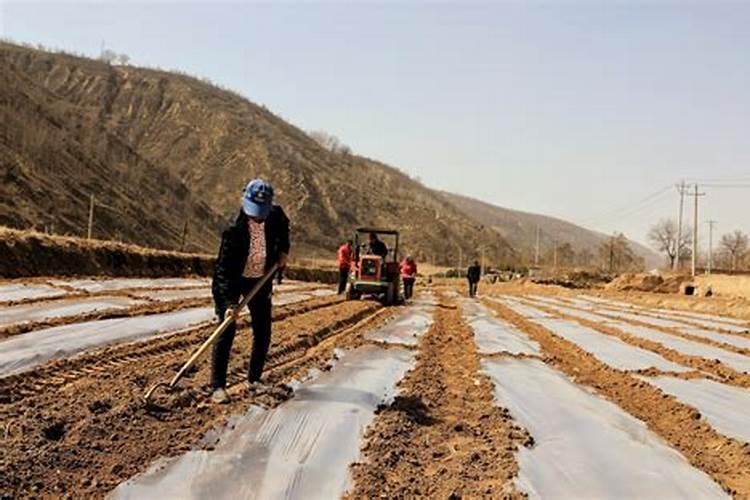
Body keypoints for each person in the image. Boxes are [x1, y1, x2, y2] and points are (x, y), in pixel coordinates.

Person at [210, 179, 290, 404]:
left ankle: (254, 379)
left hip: (260, 280)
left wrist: (283, 249)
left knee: (263, 330)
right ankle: (217, 386)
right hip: (235, 281)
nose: (258, 217)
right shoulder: (233, 230)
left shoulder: (275, 215)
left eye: (261, 213)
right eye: (254, 212)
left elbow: (284, 227)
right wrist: (228, 305)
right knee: (225, 331)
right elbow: (223, 272)